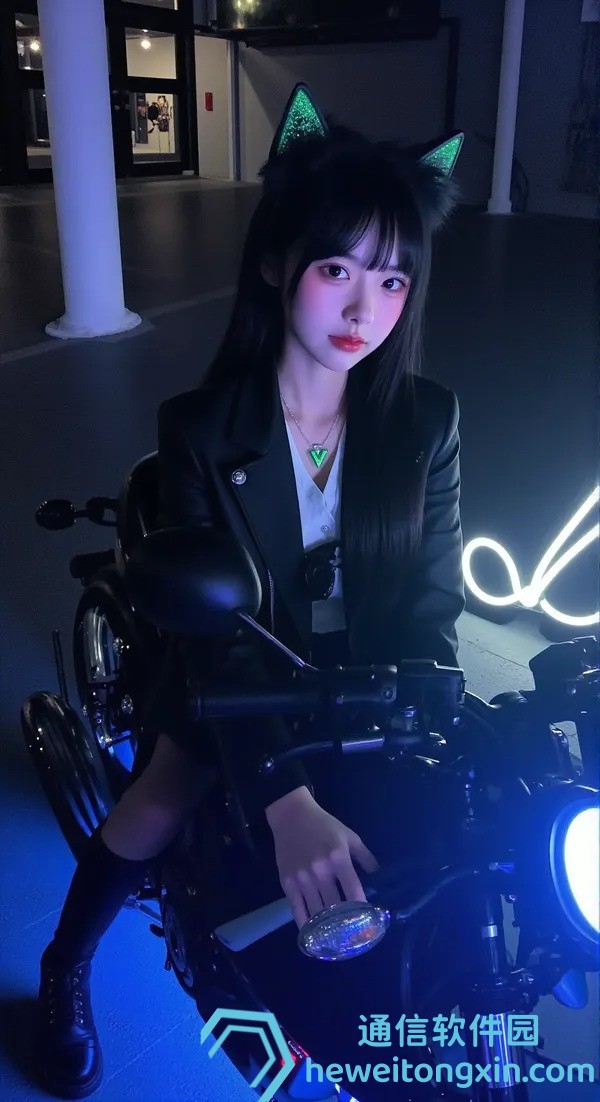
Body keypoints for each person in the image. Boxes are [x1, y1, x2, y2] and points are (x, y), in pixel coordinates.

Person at [33, 83, 465, 1099]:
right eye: (336, 269)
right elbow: (215, 641)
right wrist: (283, 792)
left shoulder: (427, 420)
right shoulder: (200, 427)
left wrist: (428, 697)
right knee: (160, 795)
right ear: (276, 263)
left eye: (393, 280)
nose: (365, 309)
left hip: (363, 683)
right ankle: (65, 967)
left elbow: (432, 597)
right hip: (236, 679)